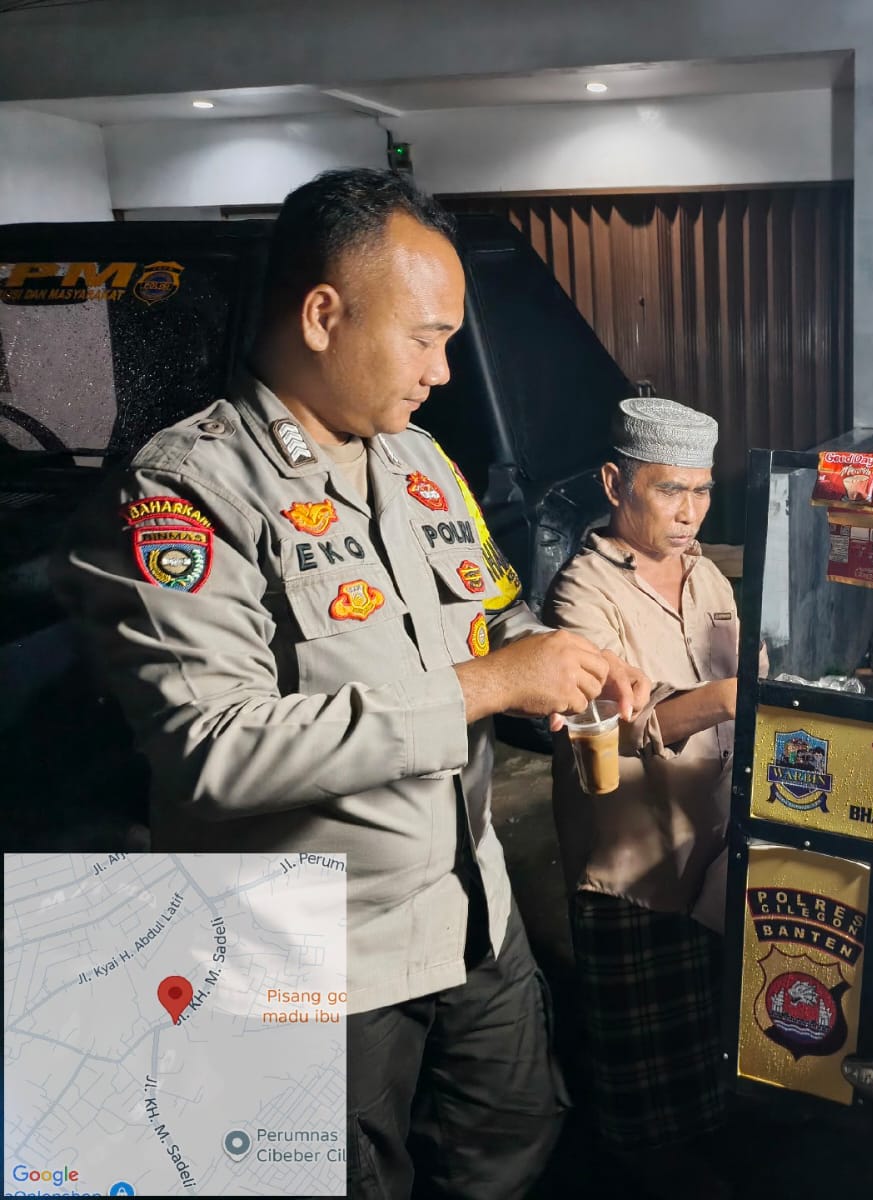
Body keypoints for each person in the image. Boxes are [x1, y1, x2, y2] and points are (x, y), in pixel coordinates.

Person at [53, 167, 650, 1200]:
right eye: (425, 338)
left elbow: (490, 614)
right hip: (315, 957)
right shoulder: (185, 493)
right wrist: (486, 684)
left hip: (471, 909)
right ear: (324, 315)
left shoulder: (419, 462)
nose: (444, 372)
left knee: (510, 1144)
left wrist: (559, 659)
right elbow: (214, 752)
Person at [543, 396, 754, 1189]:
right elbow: (620, 719)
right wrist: (730, 696)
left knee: (709, 1057)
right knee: (642, 1094)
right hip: (634, 872)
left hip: (714, 849)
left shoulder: (707, 577)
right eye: (670, 490)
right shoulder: (581, 593)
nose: (689, 512)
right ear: (614, 483)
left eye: (701, 492)